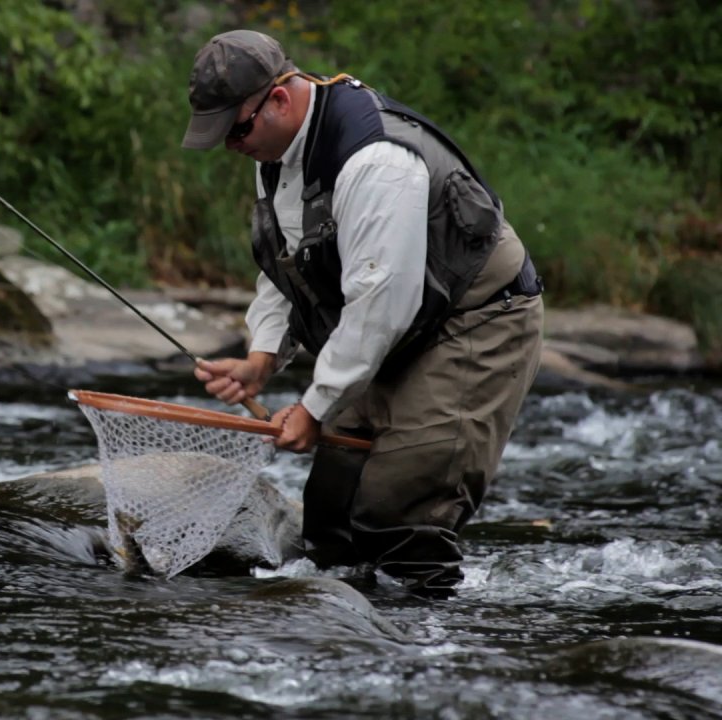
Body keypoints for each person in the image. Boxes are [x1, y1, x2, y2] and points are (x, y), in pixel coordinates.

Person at [183, 30, 544, 596]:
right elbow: (289, 263)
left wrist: (313, 406)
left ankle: (427, 651)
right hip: (400, 322)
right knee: (334, 515)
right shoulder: (276, 152)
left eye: (237, 129)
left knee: (398, 513)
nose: (231, 145)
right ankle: (343, 646)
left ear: (278, 99)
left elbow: (381, 305)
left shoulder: (375, 162)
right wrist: (263, 357)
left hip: (473, 319)